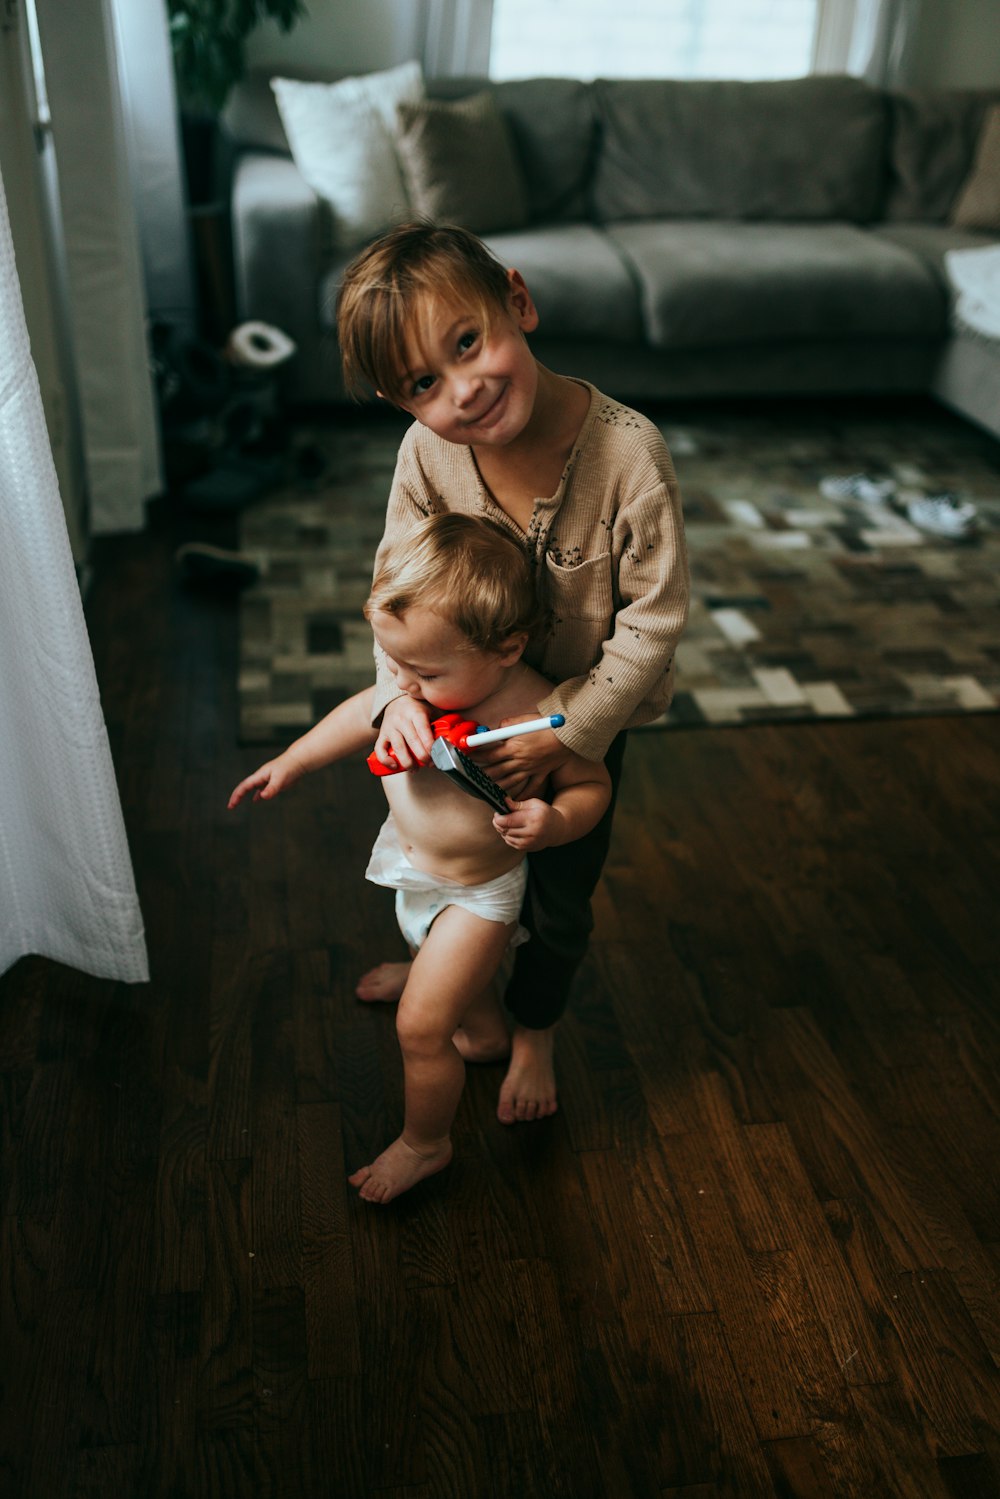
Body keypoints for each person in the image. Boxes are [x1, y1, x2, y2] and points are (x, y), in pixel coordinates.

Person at [336, 221, 690, 1125]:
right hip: (463, 709)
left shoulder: (627, 454)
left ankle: (534, 1027)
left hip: (576, 731)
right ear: (398, 402)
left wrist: (567, 730)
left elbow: (653, 621)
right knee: (447, 861)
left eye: (470, 343)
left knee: (559, 897)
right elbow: (394, 586)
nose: (466, 387)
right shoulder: (426, 455)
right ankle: (447, 976)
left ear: (518, 304)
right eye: (425, 382)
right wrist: (396, 697)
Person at [228, 513, 611, 1203]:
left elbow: (592, 785)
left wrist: (554, 821)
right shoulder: (411, 686)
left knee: (421, 1027)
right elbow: (359, 711)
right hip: (413, 873)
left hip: (476, 895)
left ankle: (426, 1143)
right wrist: (293, 761)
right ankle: (483, 1026)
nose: (401, 681)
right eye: (393, 661)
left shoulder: (535, 710)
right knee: (451, 994)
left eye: (422, 670)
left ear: (505, 649)